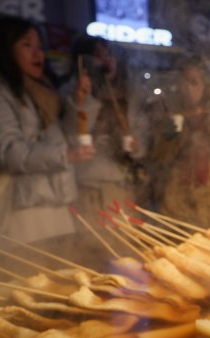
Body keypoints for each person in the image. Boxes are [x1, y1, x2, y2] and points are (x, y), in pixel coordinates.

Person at [0, 16, 94, 243]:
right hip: (21, 208)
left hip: (51, 199)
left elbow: (63, 136)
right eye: (27, 45)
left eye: (40, 47)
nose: (37, 54)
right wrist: (64, 155)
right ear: (4, 49)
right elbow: (6, 151)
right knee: (29, 273)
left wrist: (78, 103)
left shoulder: (38, 90)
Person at [64, 35, 149, 219]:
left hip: (123, 187)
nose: (107, 60)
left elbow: (142, 133)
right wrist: (81, 102)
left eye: (109, 54)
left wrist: (137, 146)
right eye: (98, 55)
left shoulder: (129, 94)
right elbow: (72, 136)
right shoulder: (73, 93)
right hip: (89, 189)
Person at [147, 56, 210, 230]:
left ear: (205, 86)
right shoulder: (171, 115)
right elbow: (159, 156)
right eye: (183, 82)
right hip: (178, 199)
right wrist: (173, 132)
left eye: (194, 82)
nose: (187, 89)